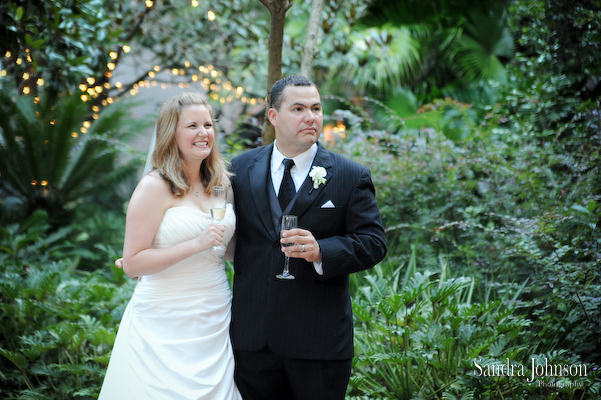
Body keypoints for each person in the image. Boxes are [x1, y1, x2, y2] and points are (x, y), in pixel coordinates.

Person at [229, 75, 387, 400]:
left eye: (316, 108)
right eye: (298, 108)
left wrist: (321, 251)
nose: (310, 117)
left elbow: (373, 242)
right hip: (253, 341)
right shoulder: (240, 169)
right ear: (273, 117)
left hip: (319, 344)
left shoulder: (350, 175)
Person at [99, 92, 242, 399]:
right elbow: (133, 264)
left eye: (208, 124)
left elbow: (227, 250)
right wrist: (195, 244)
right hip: (163, 317)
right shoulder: (154, 187)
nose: (203, 133)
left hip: (214, 312)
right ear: (172, 133)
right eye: (192, 126)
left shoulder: (222, 184)